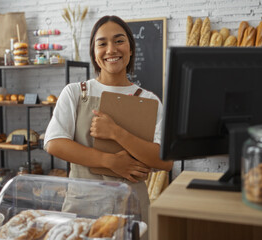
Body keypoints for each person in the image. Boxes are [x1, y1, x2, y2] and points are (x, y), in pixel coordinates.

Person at [44, 15, 173, 237]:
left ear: (131, 48)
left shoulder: (150, 101)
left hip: (133, 207)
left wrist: (116, 132)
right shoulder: (76, 93)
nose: (111, 49)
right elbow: (54, 143)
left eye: (119, 41)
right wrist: (111, 162)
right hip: (83, 206)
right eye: (102, 43)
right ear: (94, 53)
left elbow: (165, 160)